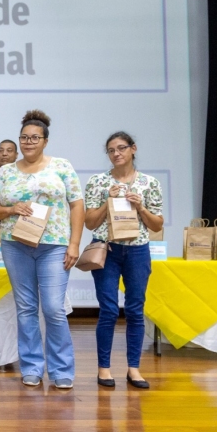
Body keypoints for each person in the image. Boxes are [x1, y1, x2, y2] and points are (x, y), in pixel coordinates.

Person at [0, 110, 83, 390]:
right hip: (16, 245)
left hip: (53, 245)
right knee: (26, 308)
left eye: (34, 138)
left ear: (45, 140)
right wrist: (10, 208)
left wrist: (74, 243)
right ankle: (31, 367)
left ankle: (62, 369)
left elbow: (77, 204)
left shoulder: (62, 166)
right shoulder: (6, 171)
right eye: (24, 138)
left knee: (53, 308)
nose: (29, 142)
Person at [84, 131, 163, 390]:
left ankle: (134, 368)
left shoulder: (149, 183)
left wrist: (140, 208)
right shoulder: (97, 181)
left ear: (133, 149)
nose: (116, 153)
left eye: (121, 148)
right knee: (107, 310)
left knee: (135, 310)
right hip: (107, 250)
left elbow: (156, 225)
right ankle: (104, 369)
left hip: (138, 251)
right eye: (111, 150)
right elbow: (90, 222)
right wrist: (108, 202)